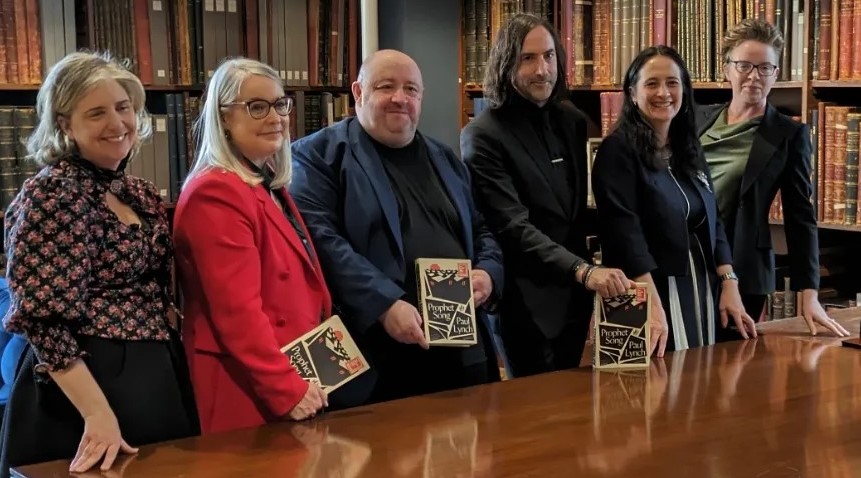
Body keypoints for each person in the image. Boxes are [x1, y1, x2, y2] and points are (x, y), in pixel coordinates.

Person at [0, 51, 199, 475]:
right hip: (82, 389)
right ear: (64, 125)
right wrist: (97, 414)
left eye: (123, 107)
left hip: (156, 371)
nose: (117, 124)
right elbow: (43, 321)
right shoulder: (52, 196)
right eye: (96, 113)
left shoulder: (136, 192)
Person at [290, 49, 504, 403]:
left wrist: (488, 273)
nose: (399, 99)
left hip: (459, 351)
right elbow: (322, 242)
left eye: (411, 90)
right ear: (358, 93)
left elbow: (482, 230)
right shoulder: (317, 156)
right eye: (386, 86)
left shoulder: (445, 159)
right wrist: (384, 304)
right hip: (375, 354)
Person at [460, 13, 632, 377]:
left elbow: (576, 210)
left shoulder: (570, 119)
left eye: (550, 56)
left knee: (573, 408)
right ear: (507, 63)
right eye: (528, 58)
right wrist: (584, 271)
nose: (543, 70)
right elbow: (512, 226)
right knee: (531, 419)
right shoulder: (482, 135)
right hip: (524, 302)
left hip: (575, 299)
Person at [173, 58, 330, 434]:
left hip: (290, 372)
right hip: (245, 383)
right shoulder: (216, 192)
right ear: (223, 118)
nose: (275, 117)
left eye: (280, 104)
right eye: (257, 107)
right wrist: (286, 389)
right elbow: (237, 313)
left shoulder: (262, 181)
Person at [591, 45, 758, 355]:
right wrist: (650, 305)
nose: (663, 92)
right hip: (641, 290)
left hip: (697, 289)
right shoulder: (617, 150)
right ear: (632, 92)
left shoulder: (688, 146)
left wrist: (729, 282)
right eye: (651, 83)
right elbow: (624, 233)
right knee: (649, 394)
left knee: (697, 388)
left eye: (672, 82)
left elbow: (713, 219)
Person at [696, 19, 849, 337]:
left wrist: (808, 293)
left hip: (743, 269)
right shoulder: (696, 119)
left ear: (776, 74)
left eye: (765, 67)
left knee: (724, 370)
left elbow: (800, 216)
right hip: (685, 260)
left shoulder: (788, 134)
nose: (754, 76)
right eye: (744, 66)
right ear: (727, 69)